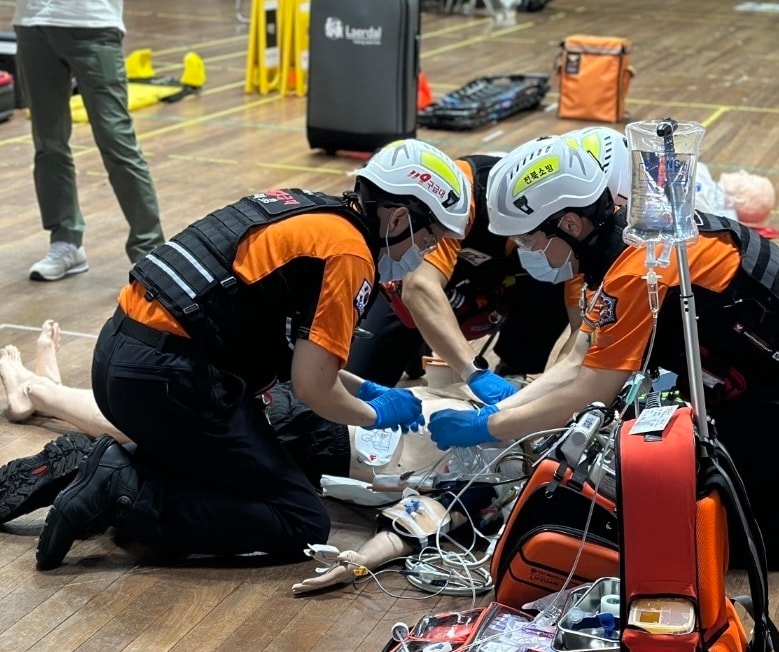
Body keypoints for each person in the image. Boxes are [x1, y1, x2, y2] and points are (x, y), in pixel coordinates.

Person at [427, 134, 779, 574]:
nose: (528, 251)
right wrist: (504, 407)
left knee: (709, 539)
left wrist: (490, 430)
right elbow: (578, 357)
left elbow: (592, 388)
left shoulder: (638, 269)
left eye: (533, 237)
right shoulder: (643, 234)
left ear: (571, 222)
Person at [29, 138, 474, 571]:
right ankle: (123, 491)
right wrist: (373, 415)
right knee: (301, 519)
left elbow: (303, 358)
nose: (427, 253)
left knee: (237, 462)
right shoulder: (350, 255)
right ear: (398, 219)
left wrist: (370, 389)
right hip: (165, 381)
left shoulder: (311, 211)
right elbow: (313, 389)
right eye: (429, 236)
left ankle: (112, 473)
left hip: (119, 357)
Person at [345, 149, 584, 401]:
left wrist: (544, 397)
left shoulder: (578, 226)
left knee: (556, 281)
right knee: (357, 388)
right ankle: (418, 342)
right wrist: (475, 372)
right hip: (433, 286)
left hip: (499, 290)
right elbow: (419, 287)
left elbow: (584, 331)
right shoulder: (461, 190)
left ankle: (514, 368)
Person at [14, 0, 166, 280]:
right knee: (48, 144)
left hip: (93, 22)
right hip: (33, 21)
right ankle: (66, 241)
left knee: (117, 141)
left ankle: (150, 253)